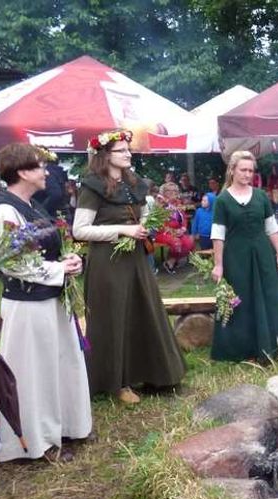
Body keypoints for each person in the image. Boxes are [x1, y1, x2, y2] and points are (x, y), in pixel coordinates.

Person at [0, 143, 91, 462]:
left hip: (51, 299)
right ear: (22, 172)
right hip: (27, 305)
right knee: (33, 372)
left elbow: (48, 249)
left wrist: (69, 259)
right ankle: (33, 440)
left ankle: (65, 427)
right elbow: (12, 263)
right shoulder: (6, 211)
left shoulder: (32, 205)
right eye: (39, 167)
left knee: (60, 363)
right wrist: (60, 269)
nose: (46, 172)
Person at [73, 129, 185, 404]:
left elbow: (144, 218)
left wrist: (148, 226)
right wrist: (123, 230)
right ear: (105, 156)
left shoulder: (135, 183)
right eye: (121, 151)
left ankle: (152, 372)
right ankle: (116, 382)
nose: (128, 154)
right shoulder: (92, 186)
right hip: (107, 262)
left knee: (142, 310)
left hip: (135, 258)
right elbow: (80, 230)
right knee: (114, 316)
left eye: (127, 149)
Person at [210, 150, 278, 362]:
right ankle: (244, 349)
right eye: (243, 170)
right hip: (236, 257)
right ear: (232, 170)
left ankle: (273, 345)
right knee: (242, 300)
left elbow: (271, 227)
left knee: (269, 296)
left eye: (250, 170)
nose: (247, 174)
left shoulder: (260, 196)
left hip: (262, 253)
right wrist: (218, 265)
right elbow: (218, 235)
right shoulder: (222, 200)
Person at [153, 181, 195, 273]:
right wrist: (171, 231)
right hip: (163, 232)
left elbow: (183, 218)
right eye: (169, 191)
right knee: (176, 242)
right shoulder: (160, 203)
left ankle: (171, 261)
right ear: (164, 192)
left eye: (175, 191)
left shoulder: (178, 203)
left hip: (177, 231)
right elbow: (158, 221)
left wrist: (183, 229)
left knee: (189, 243)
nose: (173, 193)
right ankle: (171, 262)